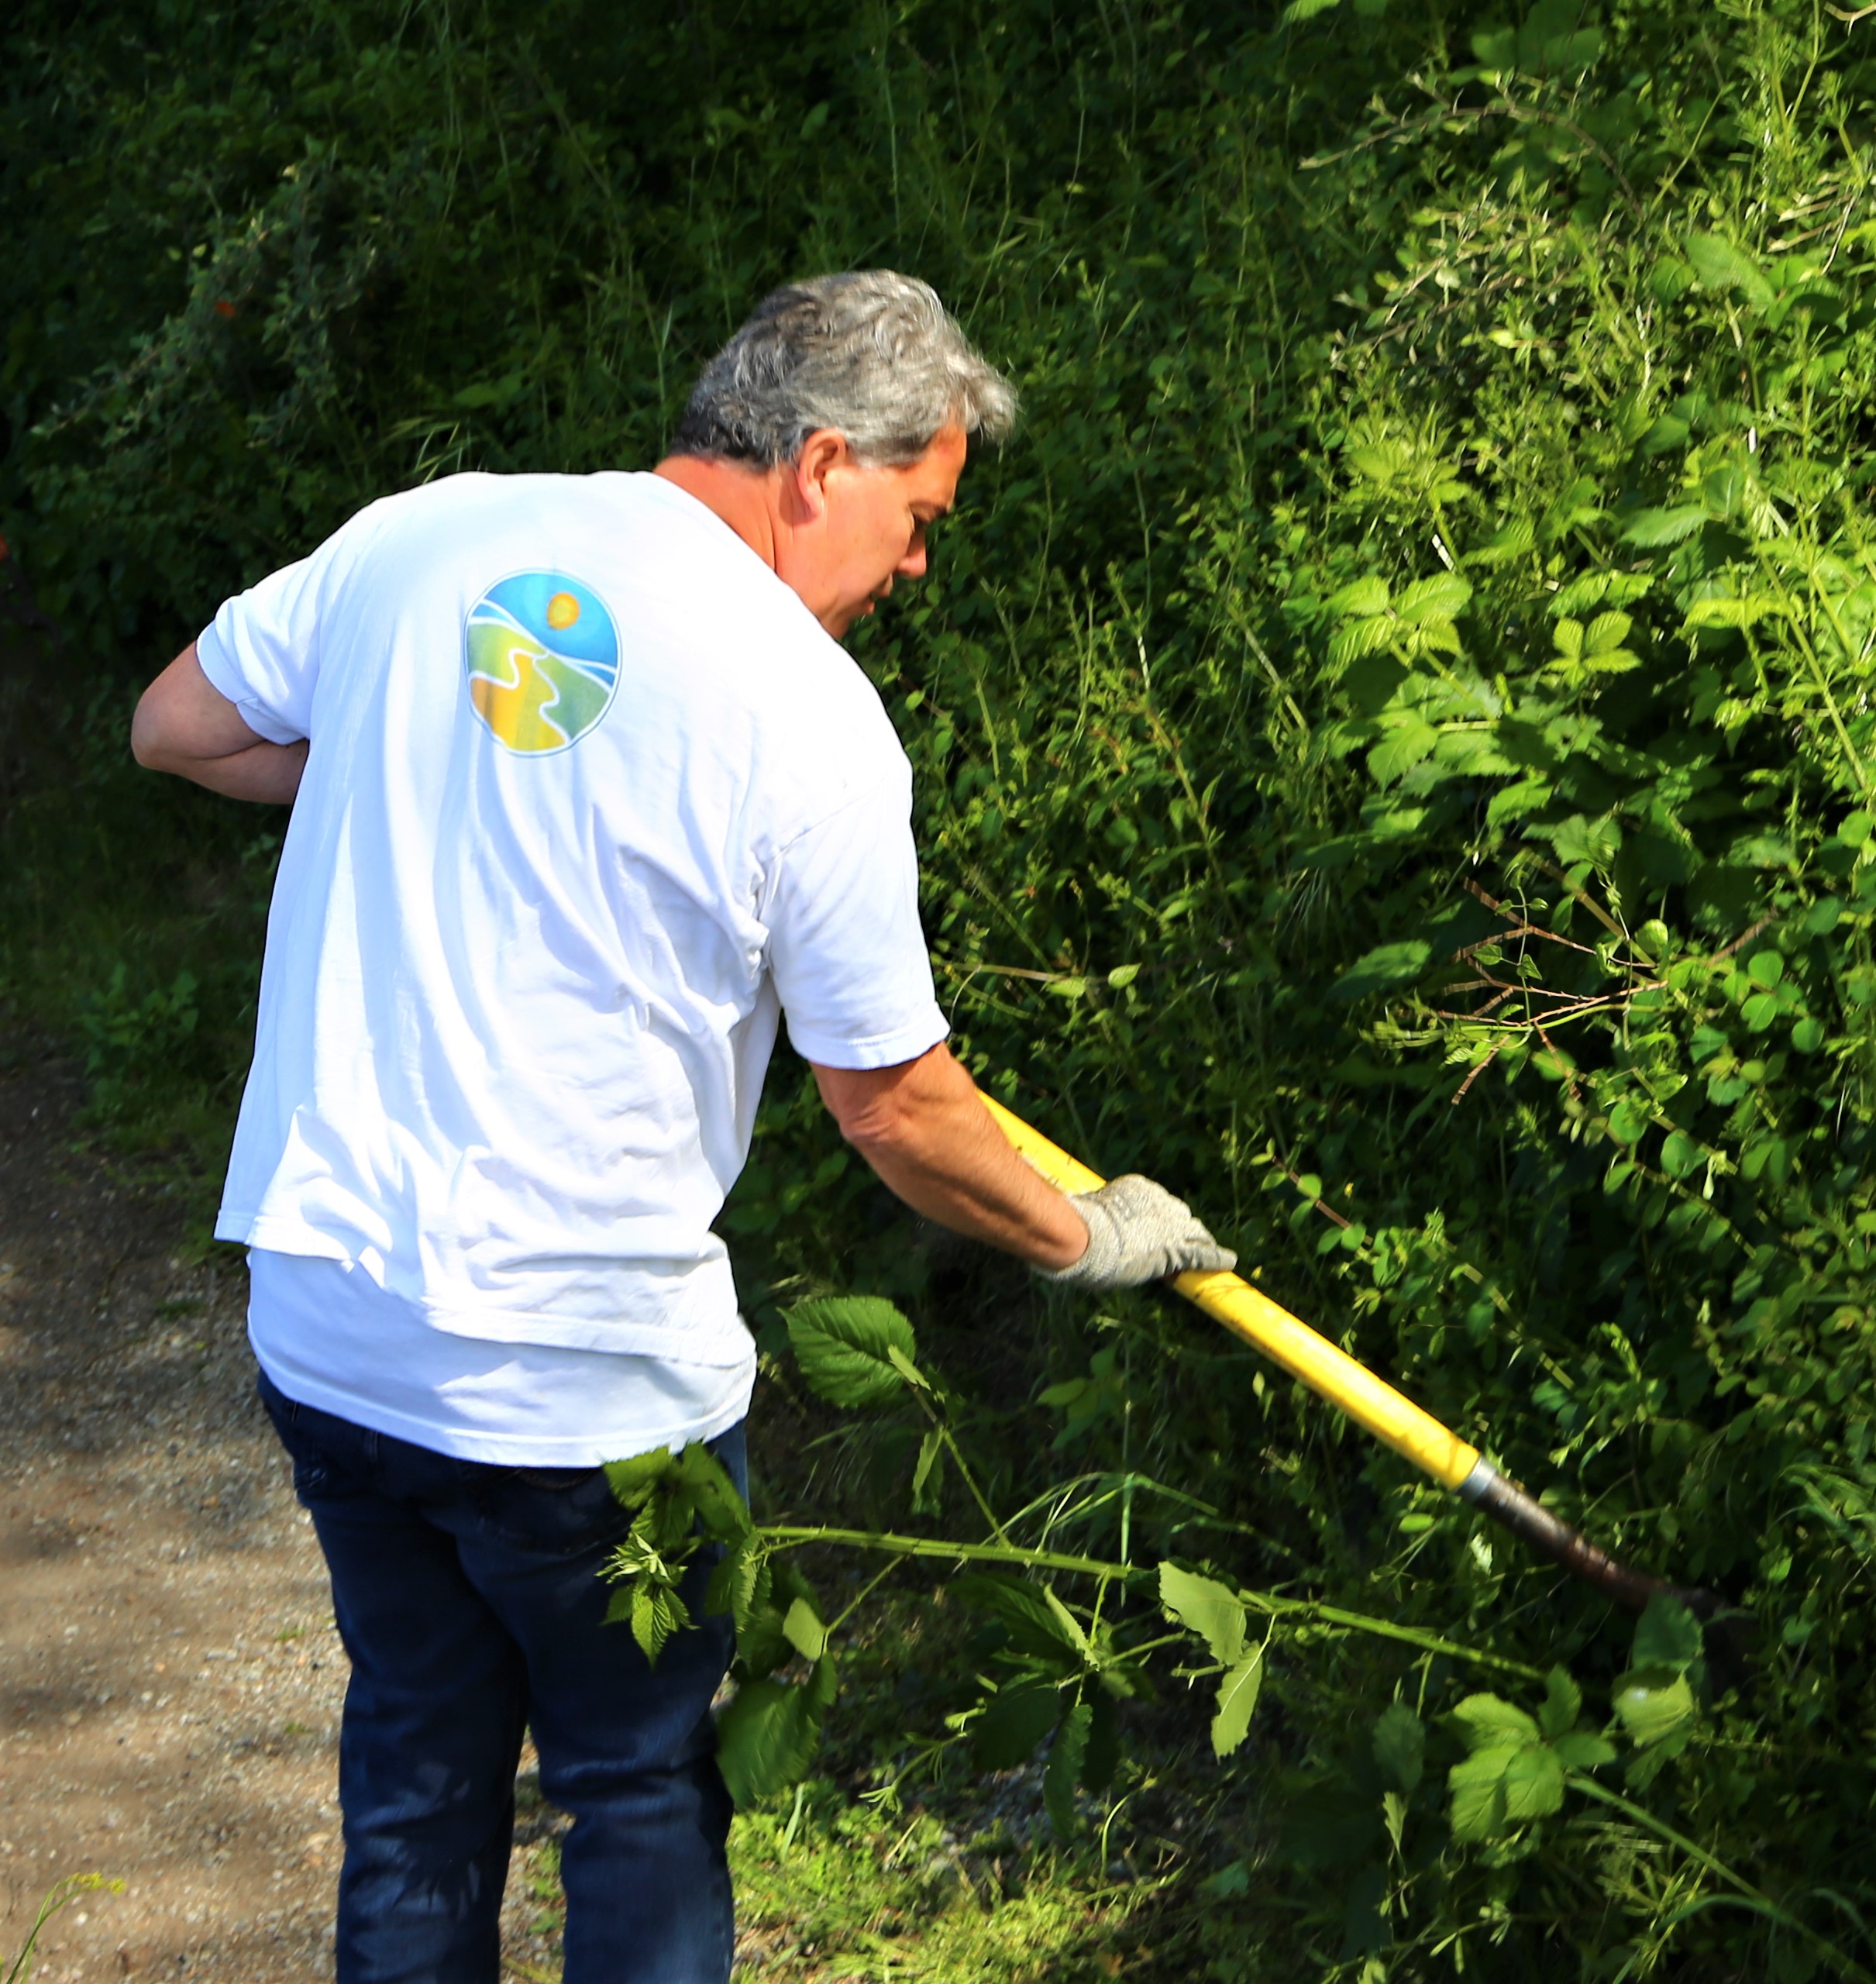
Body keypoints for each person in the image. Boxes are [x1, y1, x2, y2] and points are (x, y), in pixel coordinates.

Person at [128, 270, 1234, 1984]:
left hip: (332, 1324)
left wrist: (398, 761)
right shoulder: (805, 713)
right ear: (816, 464)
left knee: (419, 1775)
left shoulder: (431, 537)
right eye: (918, 513)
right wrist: (1081, 1232)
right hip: (586, 1394)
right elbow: (894, 1106)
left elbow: (178, 725)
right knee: (634, 1789)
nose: (919, 562)